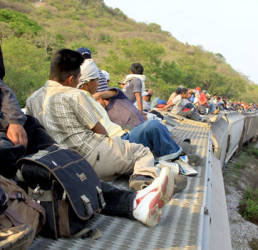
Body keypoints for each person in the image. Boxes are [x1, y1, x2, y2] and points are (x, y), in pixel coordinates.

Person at [26, 49, 177, 191]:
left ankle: (134, 169)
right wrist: (114, 147)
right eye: (78, 78)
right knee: (141, 152)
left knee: (123, 154)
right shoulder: (75, 95)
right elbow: (100, 131)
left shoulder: (32, 99)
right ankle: (144, 180)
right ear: (71, 78)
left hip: (63, 161)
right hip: (90, 155)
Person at [78, 59, 182, 162]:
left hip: (126, 134)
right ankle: (174, 157)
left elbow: (111, 93)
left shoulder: (116, 97)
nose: (97, 83)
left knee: (156, 126)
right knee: (154, 126)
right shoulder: (86, 103)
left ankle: (174, 153)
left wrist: (97, 96)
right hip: (120, 141)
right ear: (88, 82)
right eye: (96, 80)